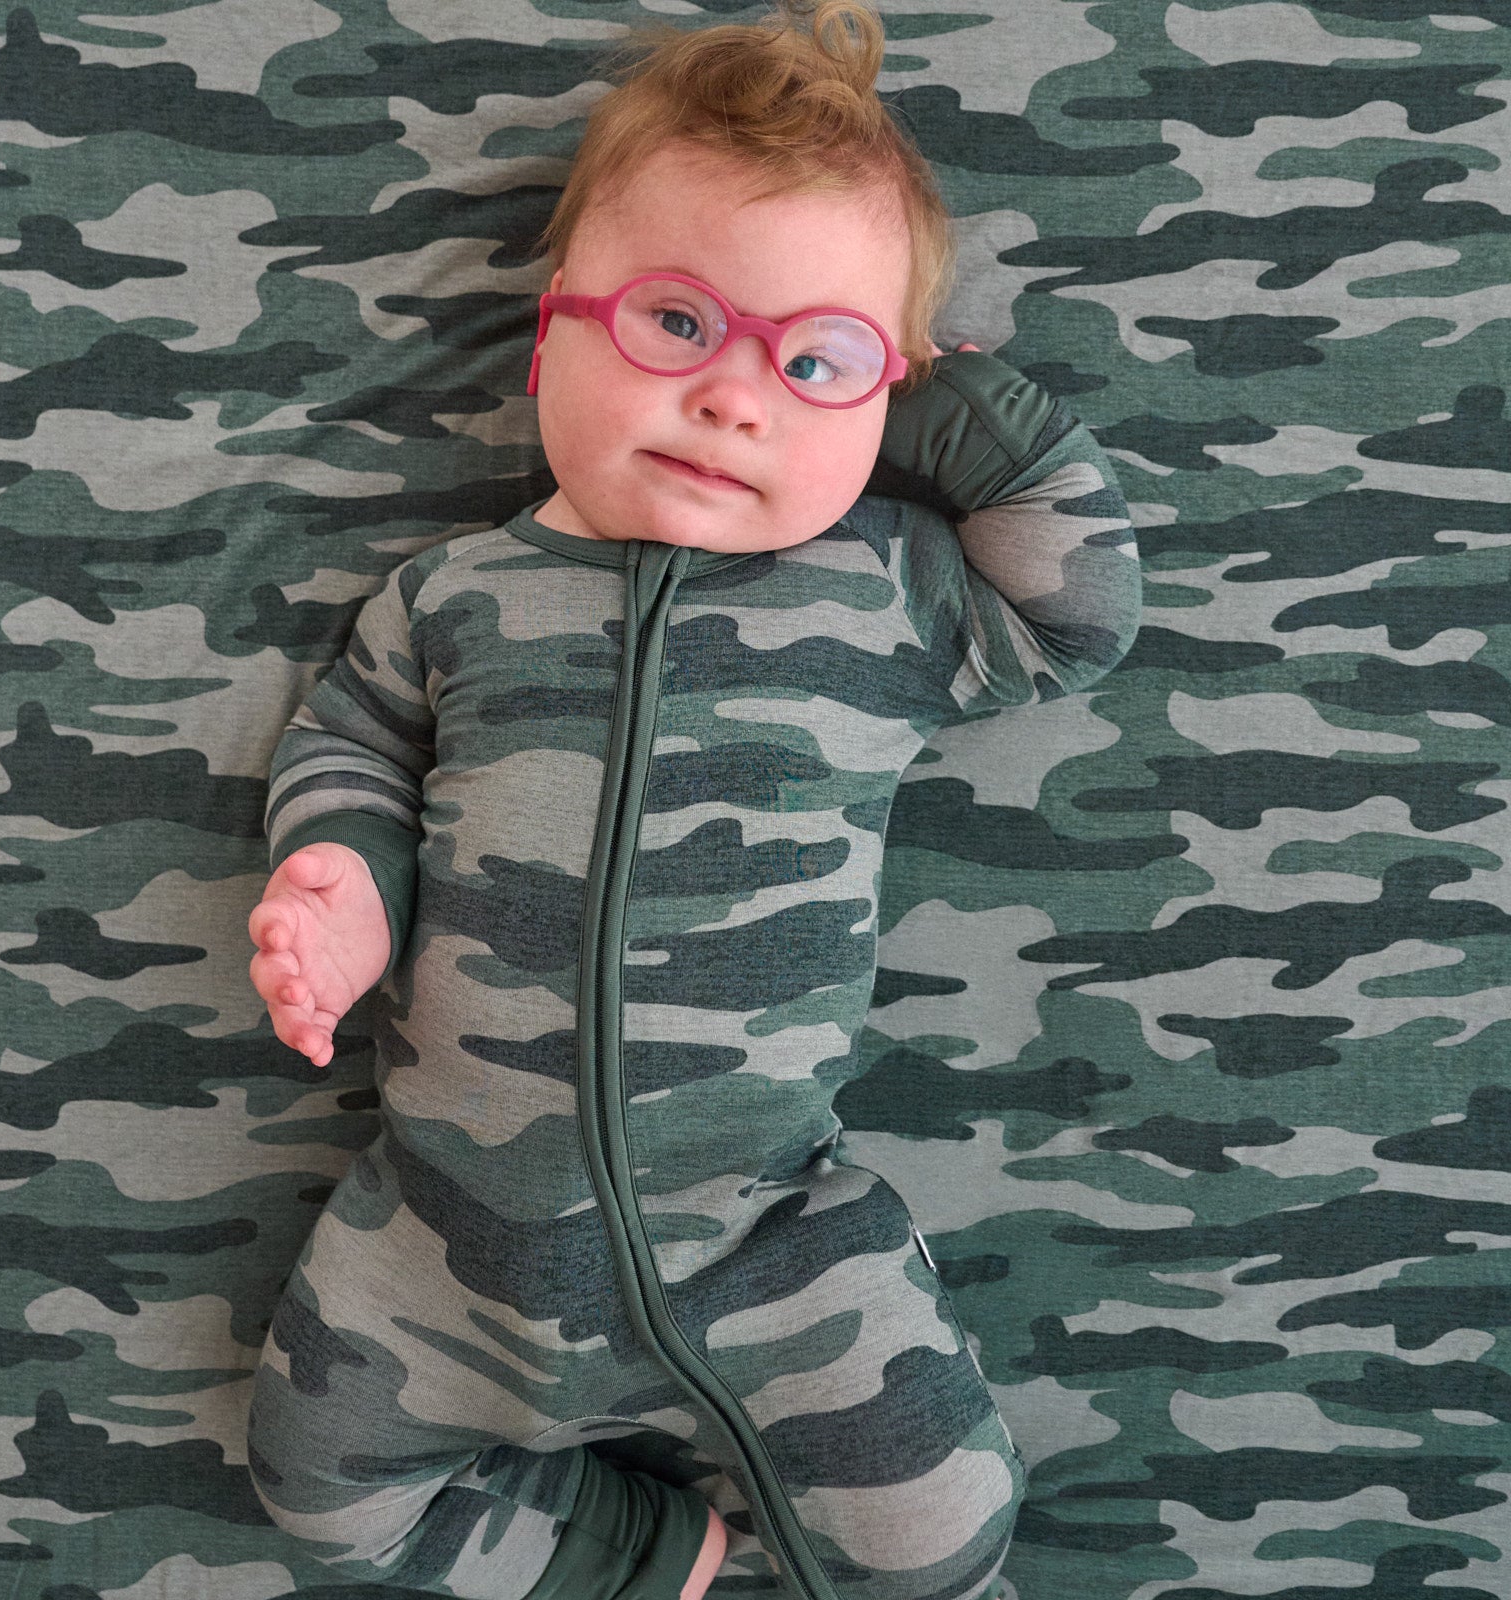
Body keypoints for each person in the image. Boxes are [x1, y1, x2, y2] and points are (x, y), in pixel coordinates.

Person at [242, 3, 1141, 1597]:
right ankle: (655, 1557)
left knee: (946, 1534)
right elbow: (354, 747)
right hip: (443, 1243)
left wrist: (897, 406)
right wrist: (337, 880)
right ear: (549, 337)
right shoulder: (454, 593)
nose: (739, 399)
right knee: (321, 1494)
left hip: (766, 1241)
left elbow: (1081, 608)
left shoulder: (887, 589)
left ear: (891, 396)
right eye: (675, 325)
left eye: (810, 356)